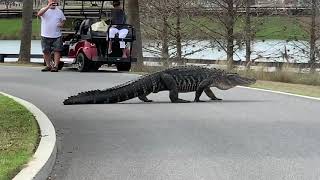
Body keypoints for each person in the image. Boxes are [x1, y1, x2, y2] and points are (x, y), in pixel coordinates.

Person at [37, 0, 66, 72]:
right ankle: (48, 65)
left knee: (57, 50)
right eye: (52, 1)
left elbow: (63, 20)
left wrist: (61, 24)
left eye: (55, 1)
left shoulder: (59, 11)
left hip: (56, 35)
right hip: (45, 34)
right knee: (46, 51)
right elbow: (39, 14)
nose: (53, 2)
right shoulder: (44, 9)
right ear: (48, 1)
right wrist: (48, 7)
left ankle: (56, 66)